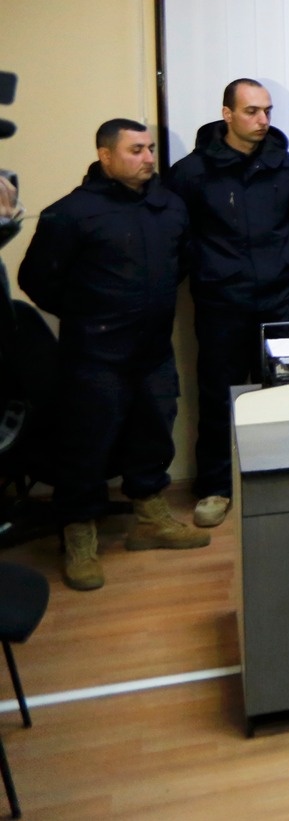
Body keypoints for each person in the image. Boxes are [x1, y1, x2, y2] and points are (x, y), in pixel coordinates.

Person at [18, 120, 209, 591]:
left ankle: (149, 517)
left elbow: (180, 263)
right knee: (86, 444)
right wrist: (88, 314)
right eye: (135, 150)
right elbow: (36, 279)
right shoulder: (71, 213)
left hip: (153, 350)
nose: (148, 158)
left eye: (150, 149)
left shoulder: (169, 206)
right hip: (95, 353)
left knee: (154, 432)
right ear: (105, 156)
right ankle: (78, 531)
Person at [165, 79, 289, 527]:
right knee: (219, 397)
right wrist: (213, 268)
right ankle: (216, 487)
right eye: (251, 111)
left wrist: (278, 260)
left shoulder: (284, 165)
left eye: (267, 111)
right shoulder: (192, 172)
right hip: (221, 301)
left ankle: (280, 478)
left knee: (285, 391)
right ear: (227, 115)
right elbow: (178, 233)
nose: (263, 120)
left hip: (280, 299)